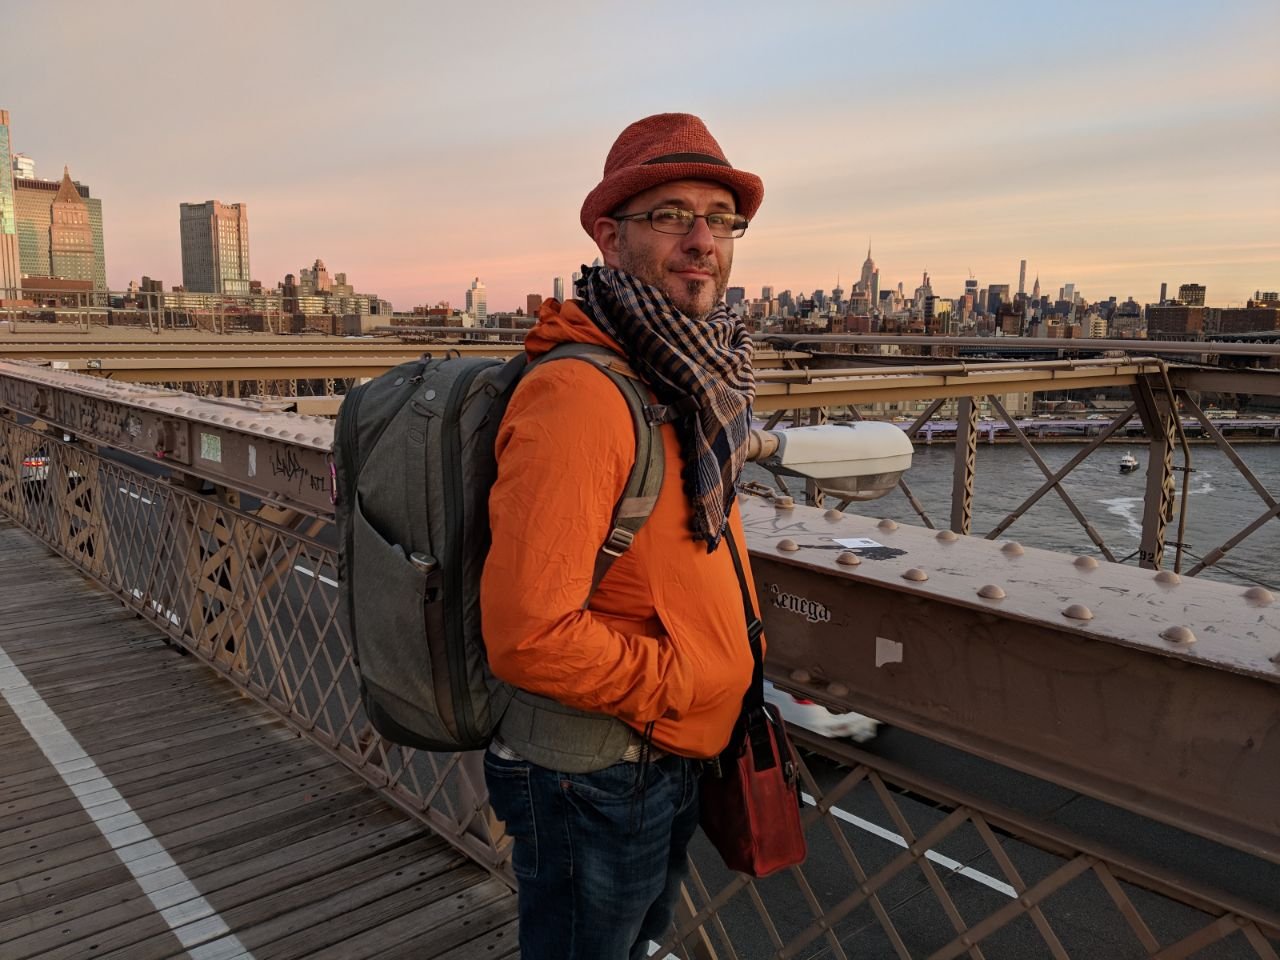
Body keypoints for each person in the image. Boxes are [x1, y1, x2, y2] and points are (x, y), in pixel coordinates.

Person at [480, 113, 766, 960]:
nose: (702, 241)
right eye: (671, 216)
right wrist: (689, 679)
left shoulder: (683, 376)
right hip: (597, 768)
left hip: (658, 751)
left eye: (721, 219)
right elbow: (529, 635)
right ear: (611, 238)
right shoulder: (580, 395)